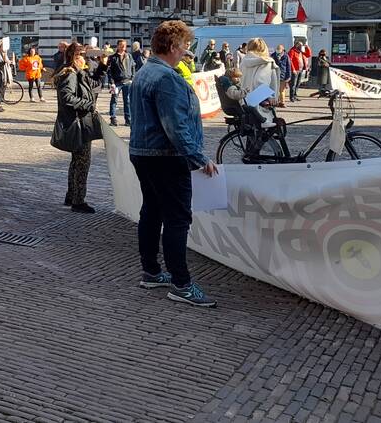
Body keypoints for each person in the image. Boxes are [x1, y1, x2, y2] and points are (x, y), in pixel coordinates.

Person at [129, 20, 219, 308]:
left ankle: (152, 272)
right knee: (178, 219)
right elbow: (175, 126)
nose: (187, 51)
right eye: (184, 46)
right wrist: (197, 157)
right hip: (166, 157)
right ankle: (181, 283)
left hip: (143, 153)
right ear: (172, 46)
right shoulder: (166, 77)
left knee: (152, 212)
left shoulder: (145, 71)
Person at [53, 43, 100, 213]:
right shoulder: (70, 74)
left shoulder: (79, 73)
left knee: (77, 161)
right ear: (75, 57)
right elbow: (67, 97)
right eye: (82, 56)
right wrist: (87, 105)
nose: (85, 60)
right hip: (77, 123)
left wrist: (102, 65)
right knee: (82, 162)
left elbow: (95, 85)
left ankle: (71, 195)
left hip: (81, 121)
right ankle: (78, 201)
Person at [229, 38, 280, 128]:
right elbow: (261, 81)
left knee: (252, 136)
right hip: (257, 102)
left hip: (245, 101)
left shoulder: (244, 61)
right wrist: (270, 97)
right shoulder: (265, 62)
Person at [107, 39, 135, 127]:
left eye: (125, 45)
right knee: (114, 100)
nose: (123, 47)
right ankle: (113, 118)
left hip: (128, 81)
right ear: (118, 46)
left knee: (127, 101)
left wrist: (132, 78)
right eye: (121, 45)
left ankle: (128, 119)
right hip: (116, 82)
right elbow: (109, 71)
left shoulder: (129, 56)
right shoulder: (113, 57)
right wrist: (112, 82)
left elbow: (133, 67)